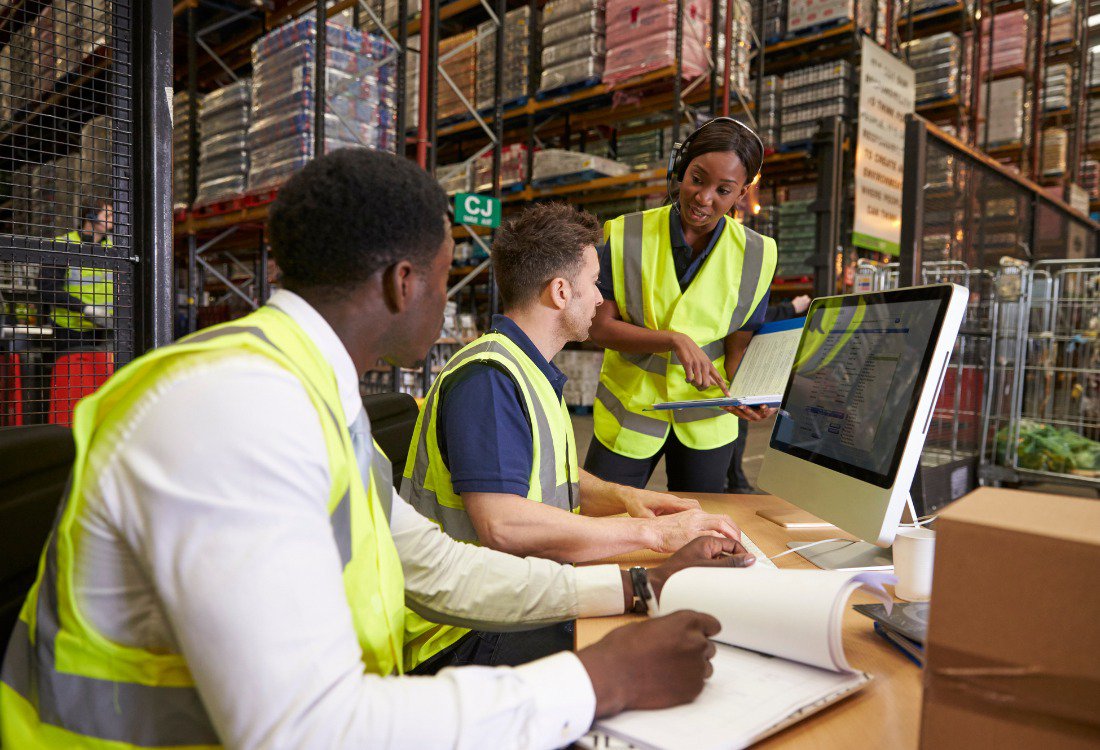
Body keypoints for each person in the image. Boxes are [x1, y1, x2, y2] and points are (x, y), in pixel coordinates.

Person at [0, 149, 756, 749]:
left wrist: (636, 589)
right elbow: (304, 731)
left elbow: (434, 566)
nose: (451, 293)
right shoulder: (235, 409)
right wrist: (595, 682)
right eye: (443, 272)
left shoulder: (314, 393)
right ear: (403, 283)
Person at [401, 202, 743, 669]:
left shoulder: (525, 368)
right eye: (594, 283)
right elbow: (504, 524)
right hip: (464, 633)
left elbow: (549, 477)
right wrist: (654, 534)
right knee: (672, 638)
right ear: (561, 292)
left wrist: (626, 498)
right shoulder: (488, 379)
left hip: (510, 603)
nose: (601, 298)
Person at [586, 117, 778, 493]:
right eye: (697, 179)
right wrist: (672, 340)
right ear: (680, 170)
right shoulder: (625, 233)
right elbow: (599, 328)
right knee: (598, 517)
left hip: (706, 419)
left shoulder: (758, 254)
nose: (704, 198)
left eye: (723, 190)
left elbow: (738, 344)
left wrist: (749, 393)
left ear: (741, 195)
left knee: (699, 531)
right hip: (630, 412)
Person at [726, 293, 812, 493]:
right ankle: (736, 482)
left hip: (732, 383)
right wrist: (790, 308)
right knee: (738, 427)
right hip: (726, 383)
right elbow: (756, 317)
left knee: (738, 428)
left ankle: (736, 480)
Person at [39, 203, 115, 353]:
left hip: (106, 329)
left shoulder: (114, 248)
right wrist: (85, 309)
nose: (114, 220)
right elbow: (47, 289)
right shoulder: (63, 244)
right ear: (91, 218)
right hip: (70, 331)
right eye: (108, 216)